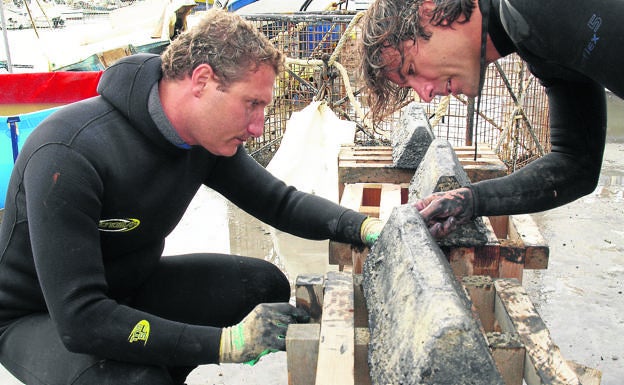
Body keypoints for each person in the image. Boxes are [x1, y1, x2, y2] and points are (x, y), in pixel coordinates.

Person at [0, 9, 382, 385]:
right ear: (202, 81)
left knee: (262, 287)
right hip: (40, 316)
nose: (257, 126)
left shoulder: (202, 141)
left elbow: (280, 202)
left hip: (131, 287)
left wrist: (368, 227)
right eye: (252, 104)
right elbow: (80, 319)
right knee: (137, 381)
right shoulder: (68, 153)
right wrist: (225, 343)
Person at [359, 0, 624, 237]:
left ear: (429, 11)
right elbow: (576, 165)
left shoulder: (531, 8)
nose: (425, 94)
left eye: (411, 69)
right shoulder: (531, 39)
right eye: (410, 86)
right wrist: (471, 201)